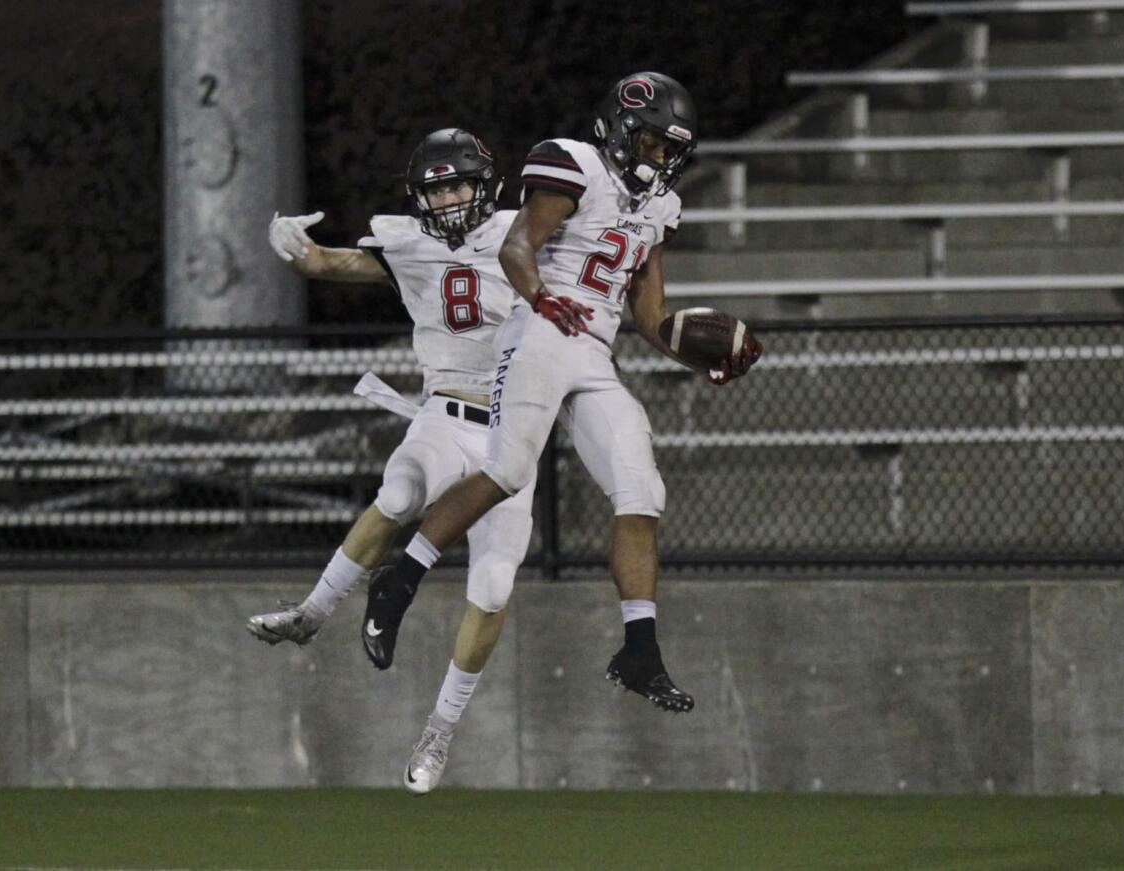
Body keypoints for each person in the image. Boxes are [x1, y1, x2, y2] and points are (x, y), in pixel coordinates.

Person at [361, 72, 762, 715]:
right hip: (543, 331)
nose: (660, 160)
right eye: (653, 144)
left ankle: (640, 649)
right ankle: (399, 578)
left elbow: (652, 318)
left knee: (641, 490)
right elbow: (519, 246)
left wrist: (703, 361)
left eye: (669, 149)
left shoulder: (658, 209)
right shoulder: (573, 163)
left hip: (595, 350)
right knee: (509, 469)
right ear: (619, 129)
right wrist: (544, 298)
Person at [246, 128, 536, 794]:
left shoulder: (523, 235)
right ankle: (313, 613)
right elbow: (327, 264)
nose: (450, 199)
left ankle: (439, 730)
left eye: (459, 184)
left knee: (492, 587)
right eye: (436, 189)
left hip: (513, 431)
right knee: (401, 490)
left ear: (485, 185)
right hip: (443, 413)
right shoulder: (408, 246)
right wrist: (291, 246)